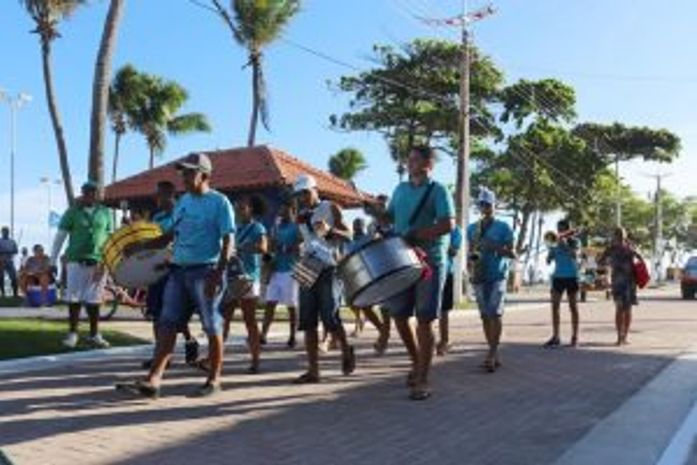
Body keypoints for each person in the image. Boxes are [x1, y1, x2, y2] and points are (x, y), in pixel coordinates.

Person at [116, 153, 235, 399]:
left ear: (204, 175)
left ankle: (214, 380)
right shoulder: (183, 202)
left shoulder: (219, 202)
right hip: (178, 271)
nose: (185, 177)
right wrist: (140, 247)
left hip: (206, 271)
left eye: (190, 172)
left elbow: (228, 241)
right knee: (167, 324)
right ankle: (153, 381)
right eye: (183, 172)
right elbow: (170, 236)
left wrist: (217, 274)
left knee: (211, 325)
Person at [381, 146, 455, 400]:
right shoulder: (400, 189)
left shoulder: (438, 190)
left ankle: (423, 379)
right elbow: (389, 218)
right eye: (409, 159)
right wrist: (374, 210)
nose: (409, 163)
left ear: (428, 165)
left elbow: (448, 224)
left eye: (415, 159)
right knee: (399, 315)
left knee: (424, 320)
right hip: (402, 259)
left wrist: (419, 235)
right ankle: (416, 361)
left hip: (430, 262)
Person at [292, 174, 355, 384]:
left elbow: (349, 235)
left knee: (331, 317)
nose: (302, 198)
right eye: (298, 195)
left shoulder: (331, 207)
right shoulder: (300, 214)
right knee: (307, 321)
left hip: (329, 267)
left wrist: (329, 230)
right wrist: (300, 247)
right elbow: (305, 239)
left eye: (305, 193)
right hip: (307, 266)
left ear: (315, 190)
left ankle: (346, 350)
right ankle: (313, 371)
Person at [142, 180, 199, 369]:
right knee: (156, 314)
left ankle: (188, 341)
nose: (156, 198)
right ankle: (160, 355)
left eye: (159, 194)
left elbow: (176, 239)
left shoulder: (181, 214)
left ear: (169, 195)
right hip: (156, 270)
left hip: (176, 269)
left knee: (175, 316)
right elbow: (152, 240)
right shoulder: (157, 217)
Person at [51, 182, 114, 348]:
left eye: (93, 192)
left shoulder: (106, 213)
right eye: (87, 192)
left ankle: (94, 334)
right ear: (82, 193)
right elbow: (60, 237)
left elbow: (110, 238)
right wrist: (52, 261)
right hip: (75, 261)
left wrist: (106, 261)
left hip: (98, 262)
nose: (90, 195)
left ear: (98, 194)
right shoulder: (72, 212)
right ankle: (73, 334)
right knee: (74, 299)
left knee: (95, 300)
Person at [467, 188, 515, 373]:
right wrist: (471, 265)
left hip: (497, 276)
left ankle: (492, 353)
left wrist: (494, 246)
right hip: (479, 276)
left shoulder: (504, 227)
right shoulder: (472, 228)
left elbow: (512, 253)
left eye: (488, 204)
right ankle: (492, 352)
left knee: (495, 314)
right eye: (482, 204)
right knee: (485, 316)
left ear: (495, 206)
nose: (485, 207)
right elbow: (471, 253)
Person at [222, 195, 267, 374]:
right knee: (224, 319)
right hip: (232, 277)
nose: (239, 209)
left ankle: (256, 360)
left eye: (242, 207)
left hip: (248, 278)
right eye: (237, 207)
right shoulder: (235, 227)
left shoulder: (258, 227)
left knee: (249, 320)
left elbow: (263, 248)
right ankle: (214, 358)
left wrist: (244, 248)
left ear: (251, 209)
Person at [345, 217, 390, 353]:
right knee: (364, 306)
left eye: (359, 225)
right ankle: (382, 331)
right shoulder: (350, 242)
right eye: (355, 225)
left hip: (379, 273)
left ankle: (384, 337)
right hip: (363, 279)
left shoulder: (370, 237)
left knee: (385, 308)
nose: (357, 227)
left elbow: (379, 241)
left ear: (363, 226)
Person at [261, 201, 301, 348]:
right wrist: (270, 247)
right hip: (275, 270)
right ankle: (263, 335)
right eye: (281, 210)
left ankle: (293, 336)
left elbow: (301, 245)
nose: (282, 212)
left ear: (293, 211)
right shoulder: (276, 227)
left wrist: (288, 248)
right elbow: (270, 246)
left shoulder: (297, 227)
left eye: (285, 210)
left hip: (291, 270)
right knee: (270, 303)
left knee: (291, 305)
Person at [599, 227, 644, 345]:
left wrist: (634, 252)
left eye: (621, 235)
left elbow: (640, 259)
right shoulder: (611, 248)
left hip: (628, 282)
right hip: (619, 283)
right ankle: (621, 337)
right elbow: (601, 261)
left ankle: (623, 337)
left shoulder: (629, 247)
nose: (620, 238)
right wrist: (608, 262)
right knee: (621, 309)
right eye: (618, 235)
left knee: (625, 309)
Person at [544, 220, 581, 348]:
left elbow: (575, 255)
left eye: (561, 229)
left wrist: (564, 244)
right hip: (558, 277)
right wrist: (549, 255)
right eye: (558, 229)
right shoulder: (555, 243)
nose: (559, 231)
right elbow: (549, 261)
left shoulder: (575, 241)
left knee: (573, 307)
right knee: (555, 307)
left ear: (567, 229)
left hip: (572, 276)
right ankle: (556, 336)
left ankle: (574, 337)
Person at [437, 224, 462, 356]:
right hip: (426, 272)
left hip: (446, 272)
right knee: (423, 311)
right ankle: (425, 342)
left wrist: (437, 245)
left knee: (443, 310)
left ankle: (444, 341)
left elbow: (454, 251)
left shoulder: (455, 230)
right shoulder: (426, 223)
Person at [0, 227, 19, 299]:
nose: (5, 233)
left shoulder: (12, 241)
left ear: (8, 232)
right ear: (2, 232)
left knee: (14, 277)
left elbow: (16, 251)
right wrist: (4, 252)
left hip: (10, 261)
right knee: (1, 277)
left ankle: (15, 294)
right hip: (1, 261)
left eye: (6, 231)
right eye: (4, 231)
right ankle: (3, 293)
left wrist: (10, 251)